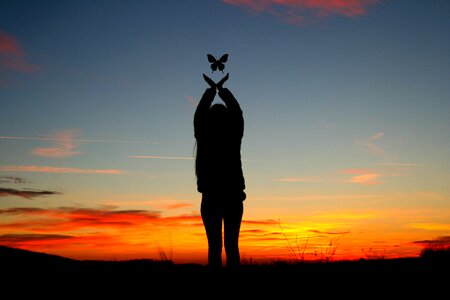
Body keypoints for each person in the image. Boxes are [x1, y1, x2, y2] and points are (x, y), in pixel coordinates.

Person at [194, 73, 246, 270]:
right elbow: (237, 113)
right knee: (231, 246)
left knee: (214, 246)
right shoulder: (233, 137)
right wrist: (221, 90)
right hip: (232, 197)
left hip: (212, 198)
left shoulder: (205, 137)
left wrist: (212, 91)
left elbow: (199, 115)